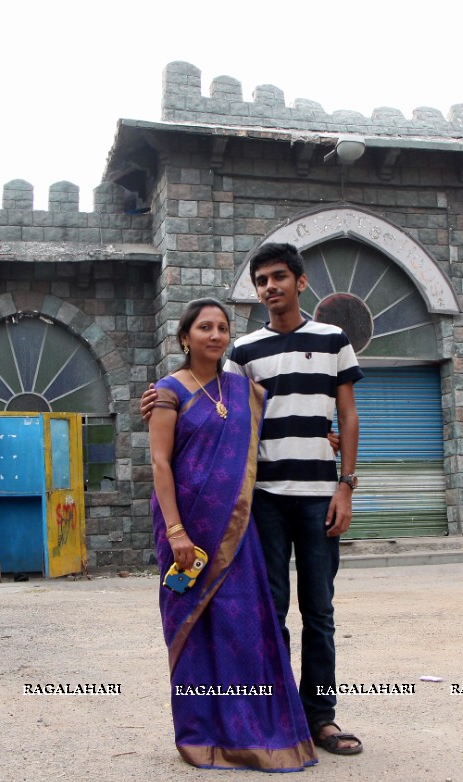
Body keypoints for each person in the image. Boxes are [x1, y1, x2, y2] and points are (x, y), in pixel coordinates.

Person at [143, 242, 364, 755]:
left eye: (279, 277)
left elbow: (348, 415)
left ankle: (322, 717)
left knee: (321, 612)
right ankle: (282, 711)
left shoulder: (333, 339)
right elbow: (218, 409)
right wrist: (159, 400)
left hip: (318, 497)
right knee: (269, 612)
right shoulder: (242, 351)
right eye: (262, 279)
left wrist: (346, 484)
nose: (271, 286)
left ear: (301, 282)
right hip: (259, 500)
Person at [148, 297, 317, 771]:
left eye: (222, 327)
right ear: (185, 337)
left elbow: (287, 420)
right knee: (195, 629)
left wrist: (329, 438)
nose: (216, 335)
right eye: (205, 327)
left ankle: (251, 729)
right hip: (186, 532)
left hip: (238, 529)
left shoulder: (245, 391)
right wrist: (178, 532)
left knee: (244, 628)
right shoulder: (167, 391)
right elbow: (160, 463)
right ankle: (202, 733)